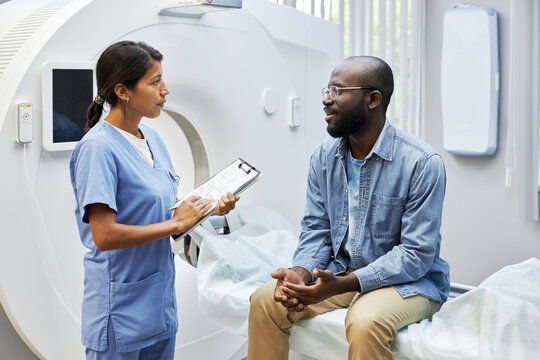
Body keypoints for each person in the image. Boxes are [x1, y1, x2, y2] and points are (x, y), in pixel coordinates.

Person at [247, 56, 449, 360]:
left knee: (365, 321)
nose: (327, 100)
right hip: (340, 272)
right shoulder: (323, 156)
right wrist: (300, 274)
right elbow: (317, 229)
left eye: (338, 91)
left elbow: (415, 255)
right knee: (266, 300)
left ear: (372, 99)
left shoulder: (421, 163)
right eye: (326, 91)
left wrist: (343, 285)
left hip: (408, 282)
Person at [69, 40, 239, 360]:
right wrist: (176, 222)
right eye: (155, 82)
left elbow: (164, 219)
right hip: (119, 308)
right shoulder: (98, 149)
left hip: (158, 304)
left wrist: (206, 210)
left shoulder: (153, 140)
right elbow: (104, 236)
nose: (166, 90)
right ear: (123, 91)